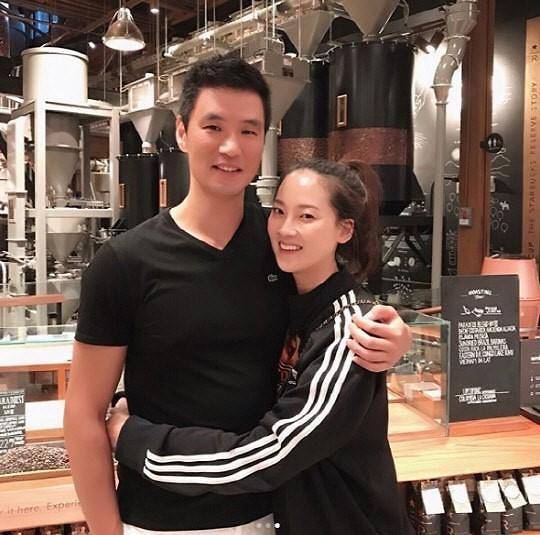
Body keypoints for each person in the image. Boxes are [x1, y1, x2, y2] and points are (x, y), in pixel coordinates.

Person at [64, 55, 411, 535]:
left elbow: (335, 308)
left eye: (249, 130)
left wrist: (393, 338)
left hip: (271, 513)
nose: (231, 147)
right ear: (182, 132)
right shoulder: (125, 262)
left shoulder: (281, 246)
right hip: (159, 519)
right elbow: (84, 413)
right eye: (213, 127)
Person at [107, 159, 414, 535]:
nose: (286, 229)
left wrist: (134, 440)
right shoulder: (289, 300)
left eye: (307, 216)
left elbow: (270, 454)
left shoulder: (350, 333)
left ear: (344, 229)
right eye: (279, 211)